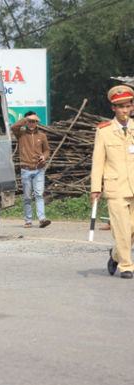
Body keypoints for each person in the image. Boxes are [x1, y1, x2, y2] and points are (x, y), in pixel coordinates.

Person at [91, 85, 134, 279]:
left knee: (132, 230)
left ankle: (115, 255)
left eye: (128, 106)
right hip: (115, 187)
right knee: (122, 229)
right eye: (120, 107)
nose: (125, 111)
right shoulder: (104, 131)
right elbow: (98, 162)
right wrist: (95, 188)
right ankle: (126, 265)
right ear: (113, 109)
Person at [11, 110, 52, 228]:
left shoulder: (42, 136)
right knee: (27, 196)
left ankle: (42, 219)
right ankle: (28, 220)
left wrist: (44, 157)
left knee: (39, 194)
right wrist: (26, 118)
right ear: (26, 122)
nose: (32, 124)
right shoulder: (21, 134)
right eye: (29, 121)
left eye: (34, 121)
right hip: (25, 169)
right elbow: (14, 127)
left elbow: (47, 150)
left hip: (38, 169)